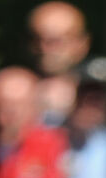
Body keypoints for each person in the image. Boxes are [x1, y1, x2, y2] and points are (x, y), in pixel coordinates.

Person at [26, 0, 90, 129]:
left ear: (82, 44)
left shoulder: (100, 97)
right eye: (38, 39)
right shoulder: (10, 95)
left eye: (55, 41)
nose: (44, 49)